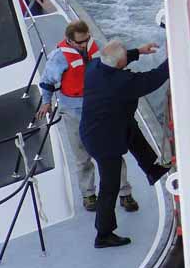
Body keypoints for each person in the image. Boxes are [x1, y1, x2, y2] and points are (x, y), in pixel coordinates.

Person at [37, 20, 159, 212]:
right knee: (81, 156)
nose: (84, 45)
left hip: (98, 108)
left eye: (87, 40)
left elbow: (112, 59)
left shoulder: (94, 47)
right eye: (80, 42)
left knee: (112, 152)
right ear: (69, 40)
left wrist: (138, 52)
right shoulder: (58, 58)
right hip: (74, 111)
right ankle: (88, 195)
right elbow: (47, 82)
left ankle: (125, 193)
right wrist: (46, 102)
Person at [80, 39, 170, 248]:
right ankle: (103, 234)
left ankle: (152, 169)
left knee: (131, 129)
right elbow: (153, 78)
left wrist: (138, 51)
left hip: (102, 126)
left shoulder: (94, 66)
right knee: (109, 186)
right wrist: (173, 58)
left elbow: (115, 60)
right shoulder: (122, 82)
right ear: (120, 64)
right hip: (103, 141)